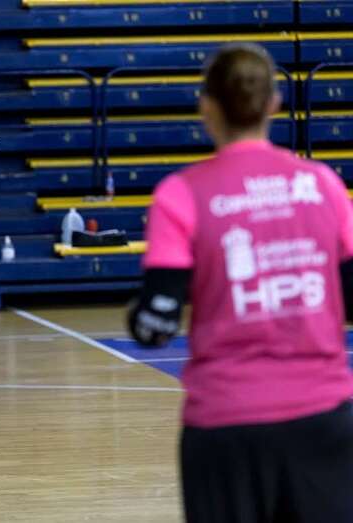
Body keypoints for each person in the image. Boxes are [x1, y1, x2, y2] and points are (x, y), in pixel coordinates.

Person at [127, 44, 353, 522]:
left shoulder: (181, 194)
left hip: (226, 423)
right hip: (321, 417)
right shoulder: (323, 184)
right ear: (274, 103)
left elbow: (154, 326)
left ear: (205, 105)